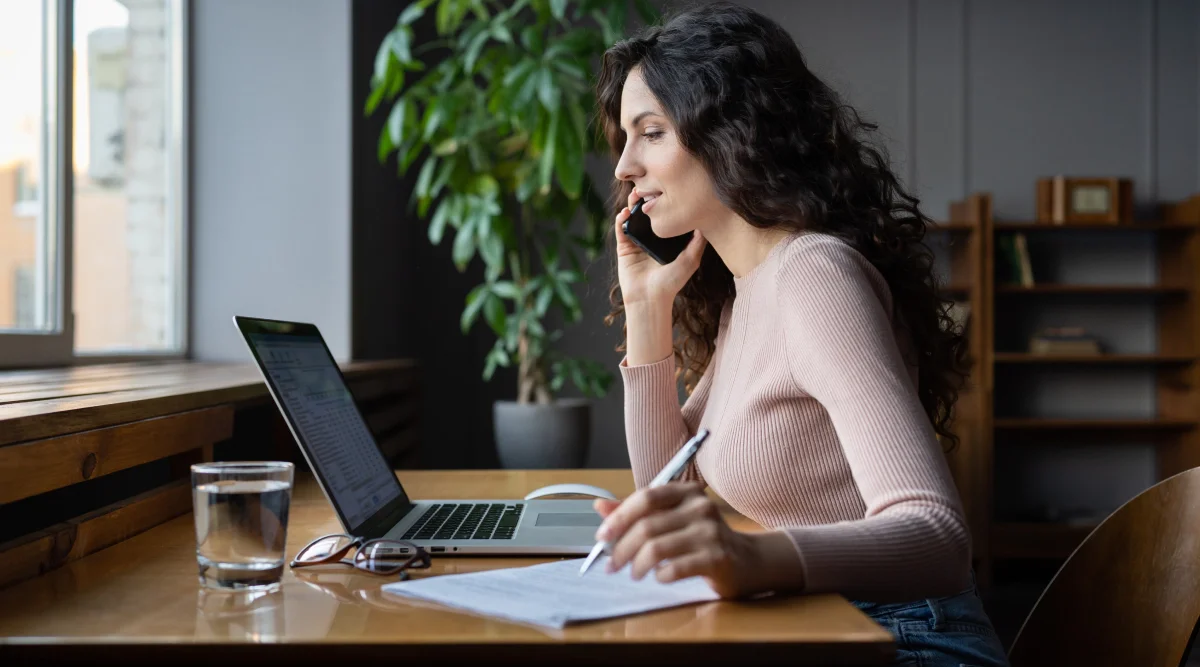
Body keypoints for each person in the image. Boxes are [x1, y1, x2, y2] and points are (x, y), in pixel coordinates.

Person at [590, 3, 1010, 666]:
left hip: (909, 637)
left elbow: (938, 535)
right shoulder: (750, 291)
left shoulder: (814, 277)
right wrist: (646, 311)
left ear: (730, 131)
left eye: (651, 132)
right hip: (828, 621)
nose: (624, 167)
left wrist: (751, 556)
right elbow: (672, 489)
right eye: (626, 137)